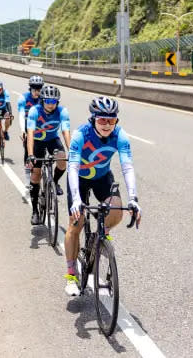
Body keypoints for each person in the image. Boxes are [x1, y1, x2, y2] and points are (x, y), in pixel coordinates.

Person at [63, 96, 141, 295]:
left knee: (117, 208)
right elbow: (72, 167)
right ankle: (71, 275)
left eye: (111, 120)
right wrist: (76, 200)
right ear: (93, 119)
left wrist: (134, 198)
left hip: (102, 177)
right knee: (76, 224)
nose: (107, 125)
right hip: (79, 180)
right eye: (102, 120)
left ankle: (99, 236)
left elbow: (128, 167)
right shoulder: (81, 134)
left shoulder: (120, 136)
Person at [25, 85, 70, 225]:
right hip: (37, 142)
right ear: (43, 100)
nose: (51, 104)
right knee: (36, 174)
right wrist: (31, 154)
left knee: (62, 160)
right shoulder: (34, 110)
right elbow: (30, 133)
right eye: (48, 101)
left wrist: (72, 152)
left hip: (52, 140)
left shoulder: (62, 111)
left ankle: (54, 182)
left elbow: (66, 131)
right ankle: (35, 211)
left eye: (54, 101)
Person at [16, 75, 44, 177]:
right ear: (30, 88)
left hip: (42, 128)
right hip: (28, 127)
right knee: (28, 151)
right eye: (35, 89)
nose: (37, 92)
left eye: (40, 89)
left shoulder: (44, 98)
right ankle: (28, 175)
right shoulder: (23, 98)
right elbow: (22, 115)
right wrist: (23, 130)